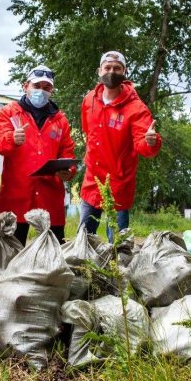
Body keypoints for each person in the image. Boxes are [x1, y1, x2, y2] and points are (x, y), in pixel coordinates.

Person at [79, 50, 162, 240]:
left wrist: (151, 142)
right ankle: (82, 269)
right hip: (92, 180)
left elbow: (143, 144)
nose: (111, 72)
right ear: (99, 71)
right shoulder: (89, 100)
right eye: (107, 68)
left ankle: (116, 269)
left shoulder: (136, 108)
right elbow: (87, 131)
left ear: (125, 72)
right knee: (83, 240)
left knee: (117, 243)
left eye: (117, 68)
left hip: (118, 182)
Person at [0, 65, 75, 246]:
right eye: (36, 86)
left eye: (46, 88)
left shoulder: (60, 120)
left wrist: (68, 170)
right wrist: (12, 139)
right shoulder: (9, 112)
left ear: (52, 90)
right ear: (25, 86)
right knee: (10, 252)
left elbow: (67, 152)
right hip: (16, 194)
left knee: (54, 254)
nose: (41, 91)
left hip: (50, 196)